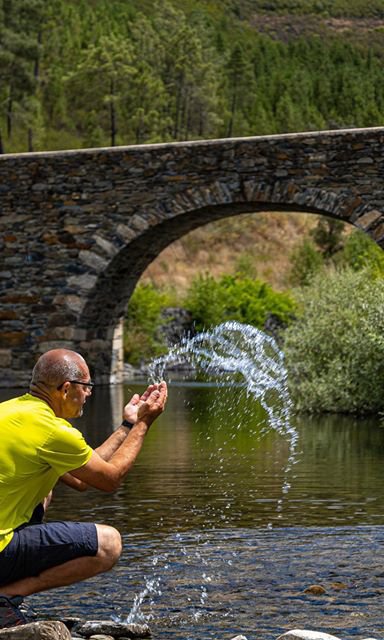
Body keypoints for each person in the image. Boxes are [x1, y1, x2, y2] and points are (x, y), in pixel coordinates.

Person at [0, 348, 167, 627]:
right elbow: (109, 479)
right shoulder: (52, 431)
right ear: (66, 389)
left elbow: (81, 477)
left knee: (45, 488)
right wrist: (145, 423)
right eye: (86, 386)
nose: (89, 393)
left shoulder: (12, 410)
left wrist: (128, 423)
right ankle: (6, 596)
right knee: (108, 544)